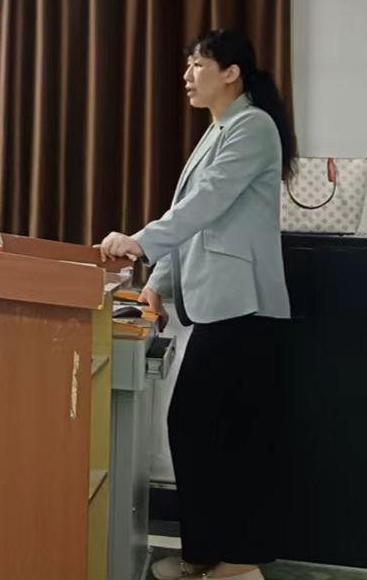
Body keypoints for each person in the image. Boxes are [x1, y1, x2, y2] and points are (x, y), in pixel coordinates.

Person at [99, 30, 296, 580]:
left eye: (198, 64)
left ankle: (234, 561)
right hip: (221, 303)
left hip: (244, 305)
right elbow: (193, 215)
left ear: (231, 73)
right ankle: (207, 554)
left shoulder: (252, 127)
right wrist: (158, 282)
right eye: (188, 65)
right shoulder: (219, 129)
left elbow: (206, 203)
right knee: (206, 428)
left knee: (213, 430)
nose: (187, 75)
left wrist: (140, 242)